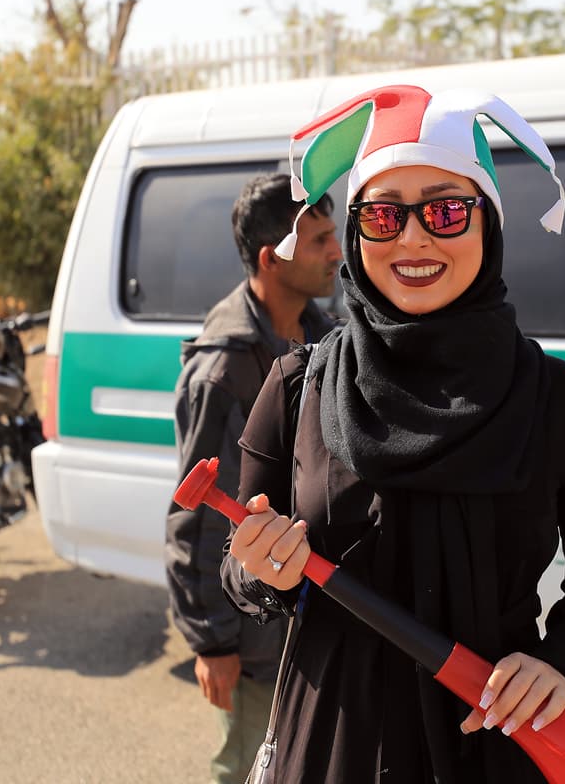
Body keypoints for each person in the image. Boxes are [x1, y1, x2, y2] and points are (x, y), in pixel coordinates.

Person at [218, 85, 565, 783]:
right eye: (382, 215)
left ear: (489, 227)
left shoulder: (559, 400)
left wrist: (563, 665)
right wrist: (257, 568)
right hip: (331, 745)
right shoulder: (298, 386)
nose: (412, 238)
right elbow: (242, 568)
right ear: (356, 234)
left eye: (446, 210)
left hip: (493, 739)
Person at [165, 173, 341, 784]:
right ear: (272, 258)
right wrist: (212, 643)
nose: (337, 252)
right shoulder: (224, 369)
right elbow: (196, 517)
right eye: (318, 240)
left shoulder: (327, 340)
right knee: (246, 768)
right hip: (255, 639)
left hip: (314, 627)